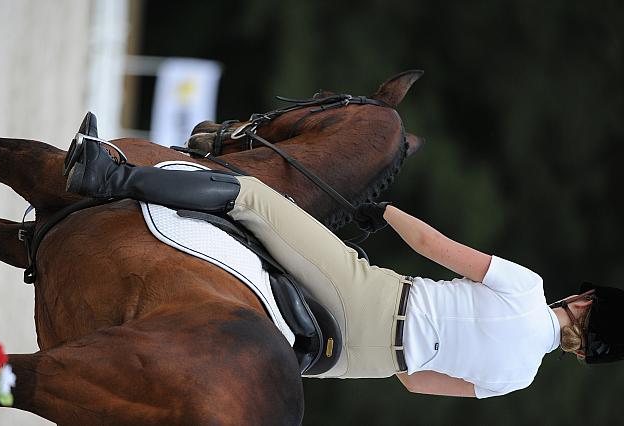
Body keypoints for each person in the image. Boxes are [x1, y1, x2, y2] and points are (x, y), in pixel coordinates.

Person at [63, 134, 624, 398]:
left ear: (585, 305)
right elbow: (415, 383)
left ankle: (107, 178)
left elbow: (431, 245)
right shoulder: (518, 379)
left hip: (372, 301)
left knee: (253, 196)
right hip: (351, 364)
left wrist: (386, 209)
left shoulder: (528, 289)